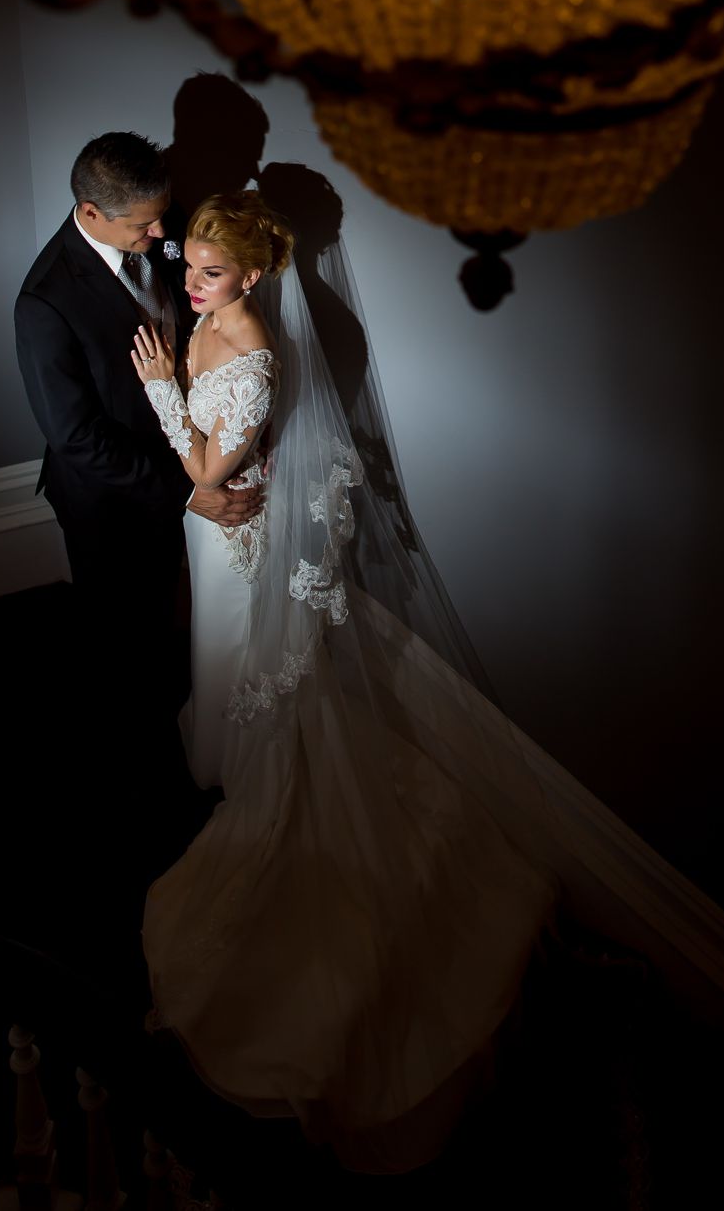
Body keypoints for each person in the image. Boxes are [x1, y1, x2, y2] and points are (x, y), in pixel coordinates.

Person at [129, 189, 558, 1172]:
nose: (188, 286)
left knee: (249, 676)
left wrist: (162, 389)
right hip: (218, 537)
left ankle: (270, 787)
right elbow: (217, 479)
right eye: (187, 265)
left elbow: (201, 469)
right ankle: (239, 760)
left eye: (207, 273)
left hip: (232, 546)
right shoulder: (211, 324)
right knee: (219, 668)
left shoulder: (252, 356)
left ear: (250, 276)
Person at [13, 135, 263, 838]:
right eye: (143, 227)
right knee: (122, 643)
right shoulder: (45, 303)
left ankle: (185, 735)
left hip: (184, 454)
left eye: (161, 217)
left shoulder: (161, 219)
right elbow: (77, 439)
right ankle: (134, 798)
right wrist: (187, 492)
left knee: (167, 618)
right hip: (110, 500)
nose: (162, 236)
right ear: (90, 212)